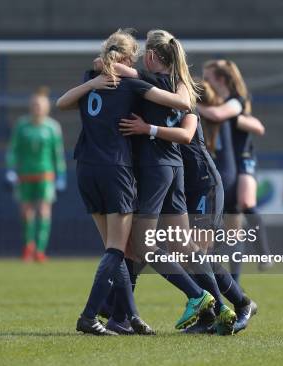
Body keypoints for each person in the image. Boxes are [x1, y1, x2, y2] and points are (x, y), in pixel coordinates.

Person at [57, 28, 212, 336]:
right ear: (129, 58)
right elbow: (181, 104)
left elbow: (62, 103)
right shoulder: (131, 84)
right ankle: (91, 316)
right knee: (121, 249)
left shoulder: (92, 76)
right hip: (116, 169)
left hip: (85, 167)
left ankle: (127, 317)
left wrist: (93, 80)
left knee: (118, 249)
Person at [101, 29, 235, 335]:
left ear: (150, 56)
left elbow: (107, 66)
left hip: (154, 167)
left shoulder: (143, 81)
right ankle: (220, 308)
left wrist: (145, 127)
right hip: (176, 168)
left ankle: (197, 297)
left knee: (142, 245)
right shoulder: (180, 85)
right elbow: (185, 104)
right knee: (184, 248)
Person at [198, 59, 271, 281]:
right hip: (225, 164)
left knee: (246, 203)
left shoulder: (235, 101)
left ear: (220, 79)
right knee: (232, 228)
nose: (204, 81)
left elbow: (252, 125)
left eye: (207, 77)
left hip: (244, 159)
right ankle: (235, 282)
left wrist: (189, 103)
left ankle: (264, 252)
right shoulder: (216, 103)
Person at [6, 87, 67, 262]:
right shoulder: (21, 125)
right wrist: (11, 169)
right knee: (26, 213)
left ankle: (40, 250)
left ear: (46, 107)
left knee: (44, 211)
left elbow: (58, 153)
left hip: (45, 174)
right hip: (25, 174)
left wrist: (61, 175)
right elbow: (13, 149)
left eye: (40, 105)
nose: (37, 108)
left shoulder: (52, 127)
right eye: (34, 104)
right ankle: (28, 246)